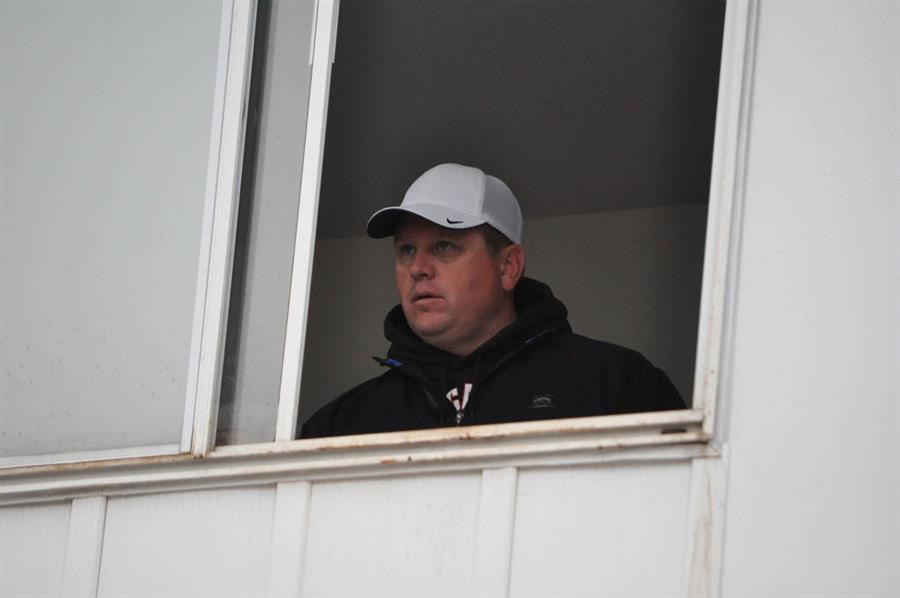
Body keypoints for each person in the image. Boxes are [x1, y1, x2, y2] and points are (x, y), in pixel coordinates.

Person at [300, 163, 685, 438]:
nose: (417, 268)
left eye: (444, 246)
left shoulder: (617, 385)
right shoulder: (342, 425)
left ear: (508, 267)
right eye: (406, 250)